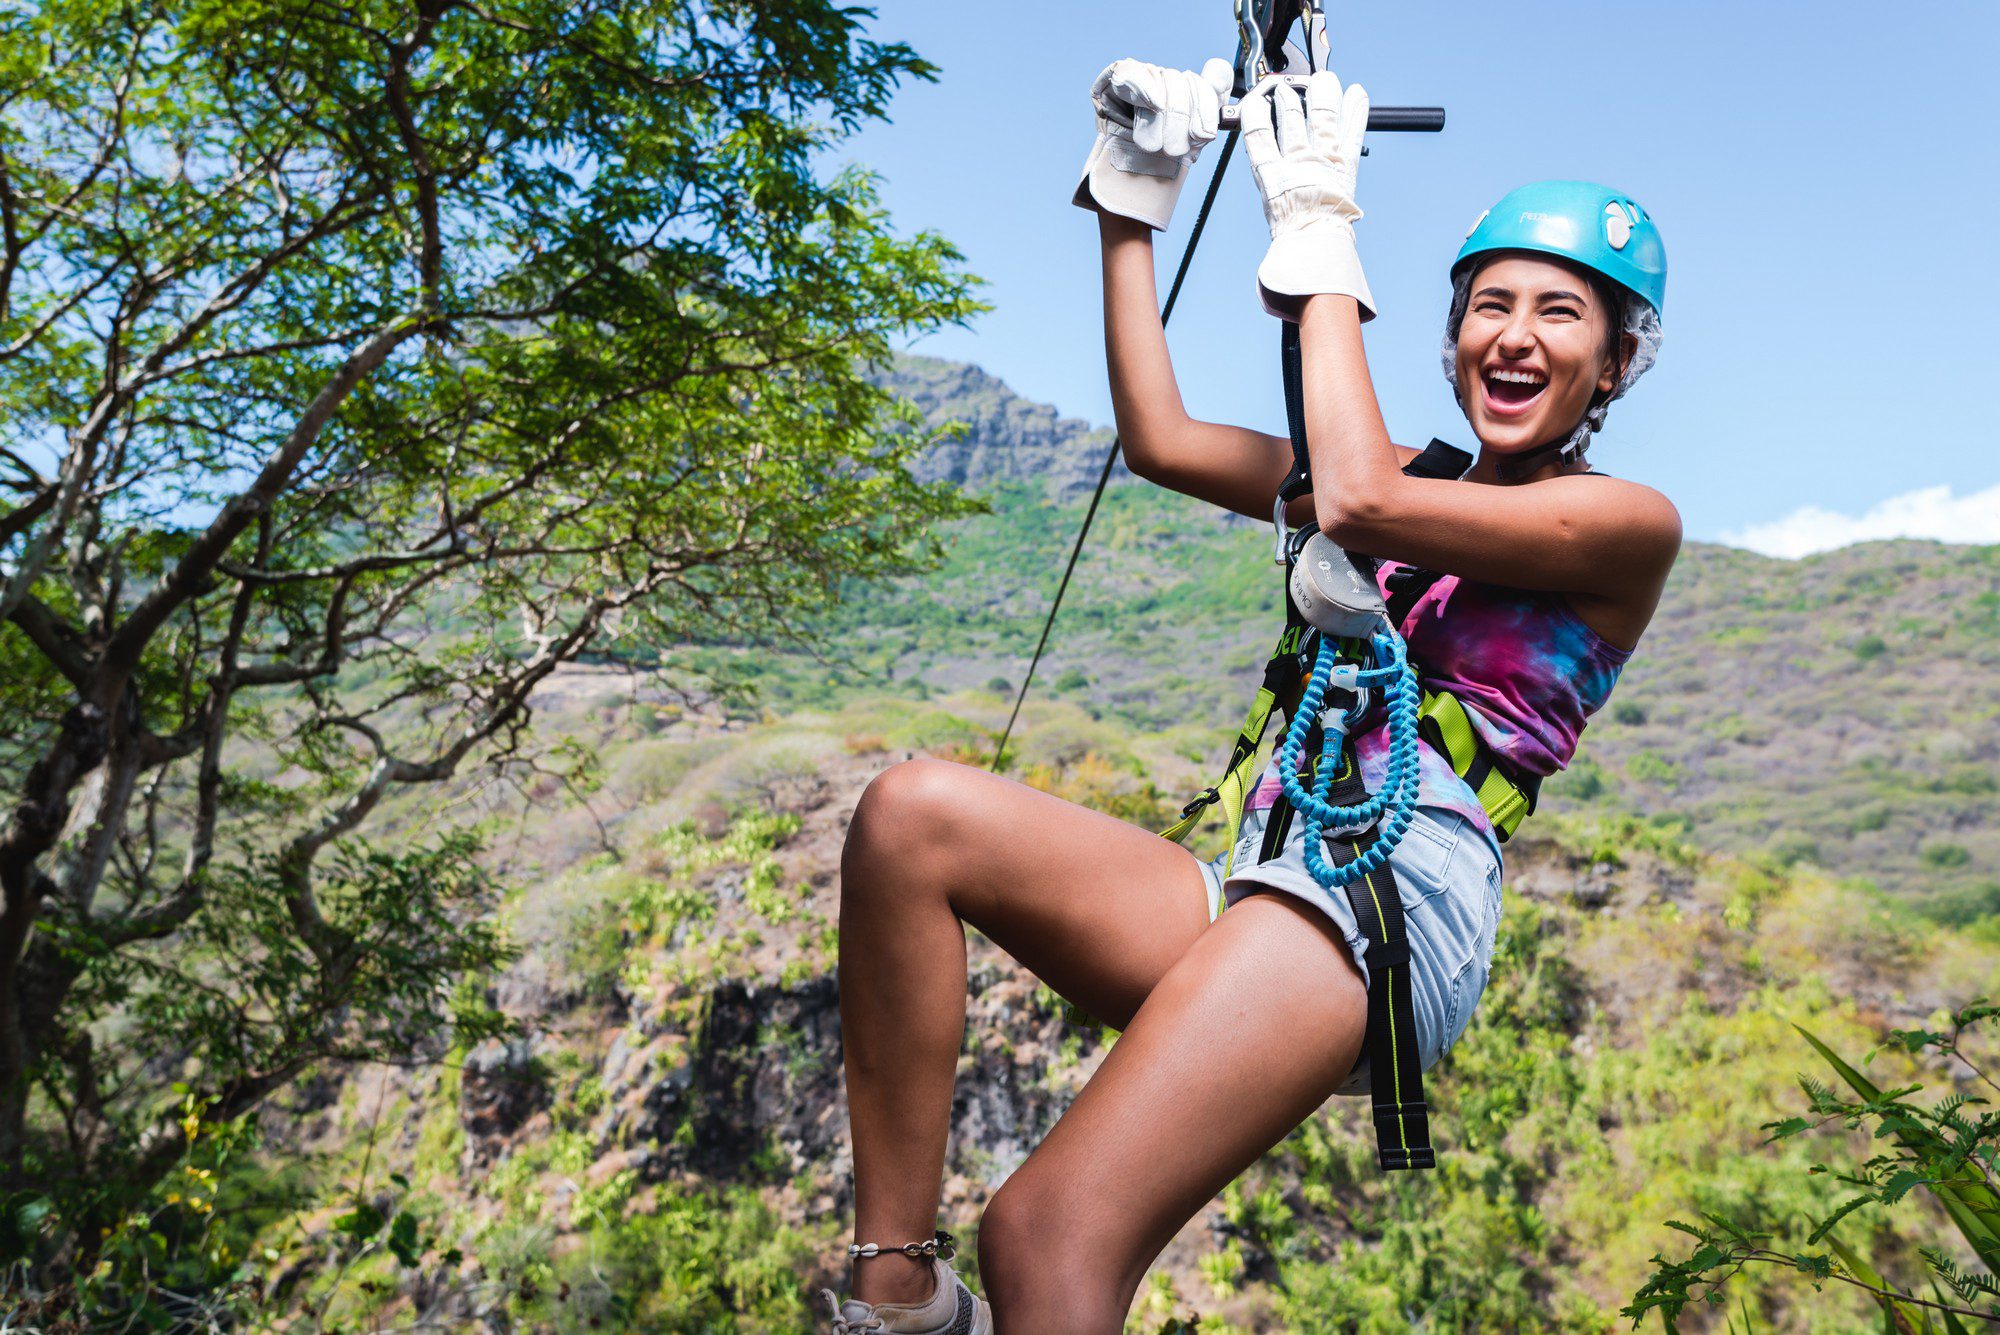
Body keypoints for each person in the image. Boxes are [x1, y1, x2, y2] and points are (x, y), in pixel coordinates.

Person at [821, 57, 1680, 1335]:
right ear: (1450, 341)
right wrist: (1131, 200)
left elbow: (1357, 501)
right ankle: (894, 1289)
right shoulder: (1391, 473)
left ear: (1612, 367)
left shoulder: (1617, 523)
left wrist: (1319, 220)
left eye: (1560, 315)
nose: (1513, 333)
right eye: (1488, 305)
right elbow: (1160, 441)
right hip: (1266, 879)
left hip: (1392, 900)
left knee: (1046, 1230)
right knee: (911, 817)